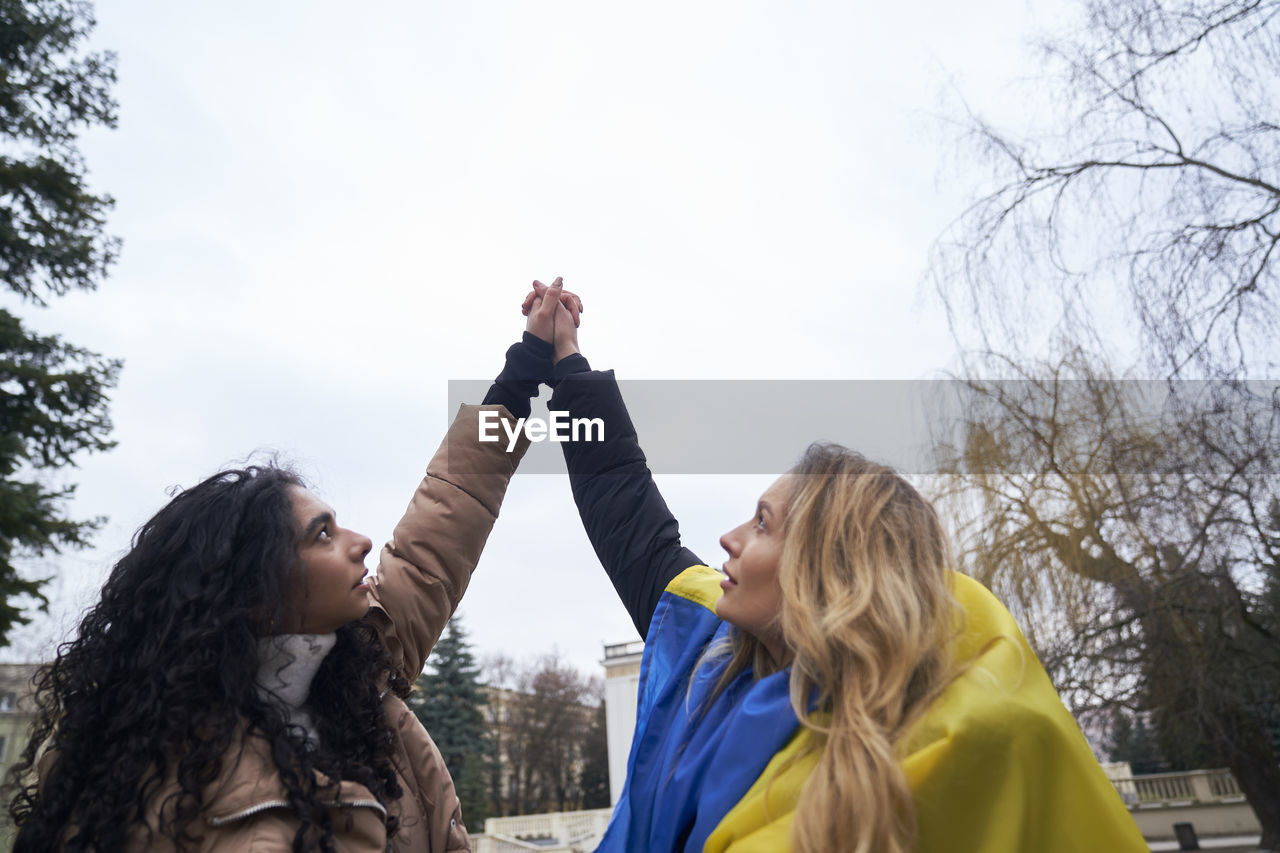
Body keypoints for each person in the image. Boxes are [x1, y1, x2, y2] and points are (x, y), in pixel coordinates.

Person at [525, 284, 1148, 853]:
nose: (729, 538)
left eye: (763, 523)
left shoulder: (967, 750)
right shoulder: (709, 641)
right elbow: (628, 512)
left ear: (828, 569)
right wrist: (568, 363)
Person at [7, 281, 583, 853]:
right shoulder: (147, 773)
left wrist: (527, 363)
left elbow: (441, 527)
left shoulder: (359, 665)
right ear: (254, 589)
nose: (361, 543)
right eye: (322, 535)